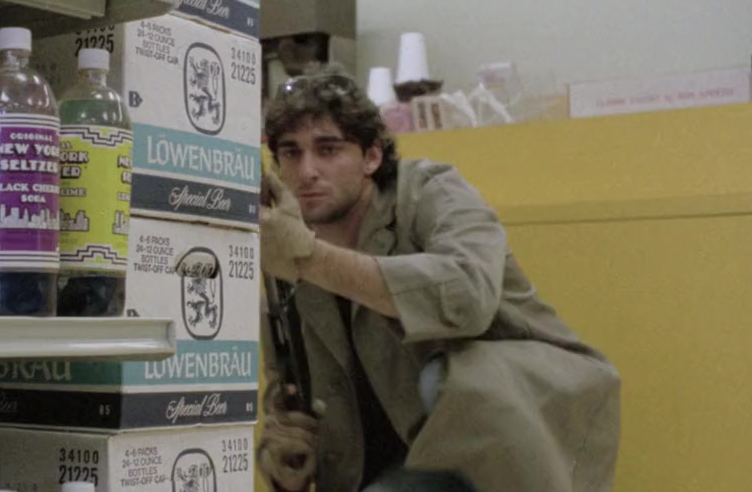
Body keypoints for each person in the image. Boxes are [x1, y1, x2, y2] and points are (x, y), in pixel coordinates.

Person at [256, 70, 621, 492]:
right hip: (381, 473)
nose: (307, 171)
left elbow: (468, 296)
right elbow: (287, 402)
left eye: (328, 149)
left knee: (448, 375)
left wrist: (311, 258)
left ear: (371, 157)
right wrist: (284, 460)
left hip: (503, 447)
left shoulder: (429, 191)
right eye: (291, 153)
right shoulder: (284, 267)